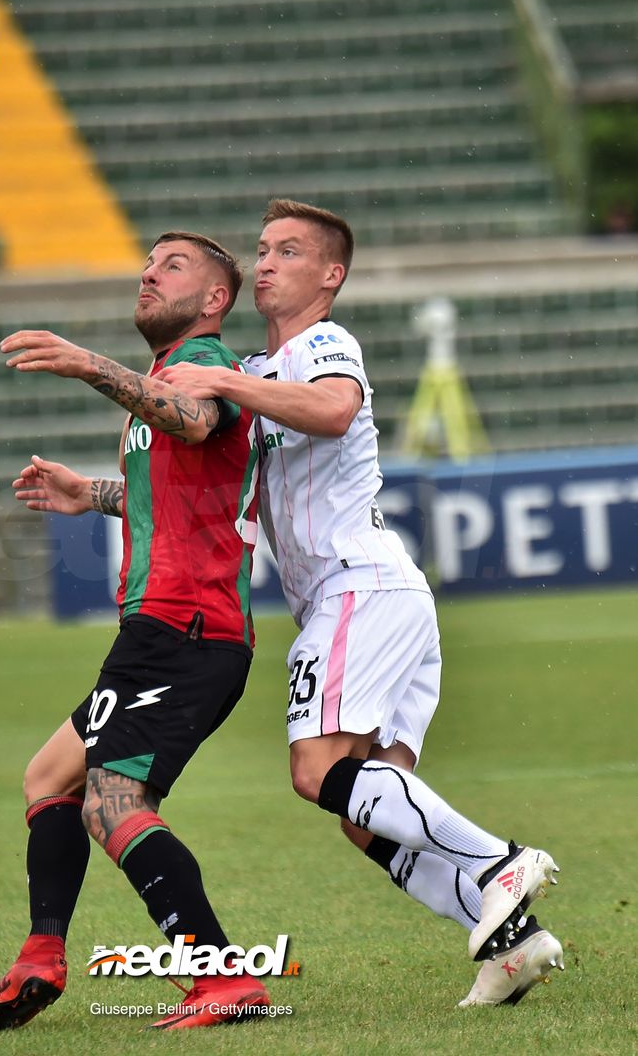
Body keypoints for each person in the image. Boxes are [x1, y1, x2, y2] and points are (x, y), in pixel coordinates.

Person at [158, 199, 565, 1008]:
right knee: (363, 811)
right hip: (379, 597)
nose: (266, 262)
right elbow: (211, 492)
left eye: (289, 251)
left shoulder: (324, 344)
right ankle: (517, 946)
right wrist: (92, 492)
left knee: (319, 773)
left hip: (359, 587)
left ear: (330, 276)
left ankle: (496, 862)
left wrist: (221, 377)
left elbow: (337, 409)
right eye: (263, 249)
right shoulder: (259, 375)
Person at [0, 231, 269, 1032]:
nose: (147, 273)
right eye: (147, 262)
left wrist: (91, 364)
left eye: (172, 266)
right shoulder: (164, 376)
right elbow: (174, 488)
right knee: (49, 778)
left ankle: (222, 976)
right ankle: (41, 956)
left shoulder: (207, 362)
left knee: (113, 800)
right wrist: (88, 491)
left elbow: (199, 422)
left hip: (188, 626)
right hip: (162, 628)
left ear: (212, 299)